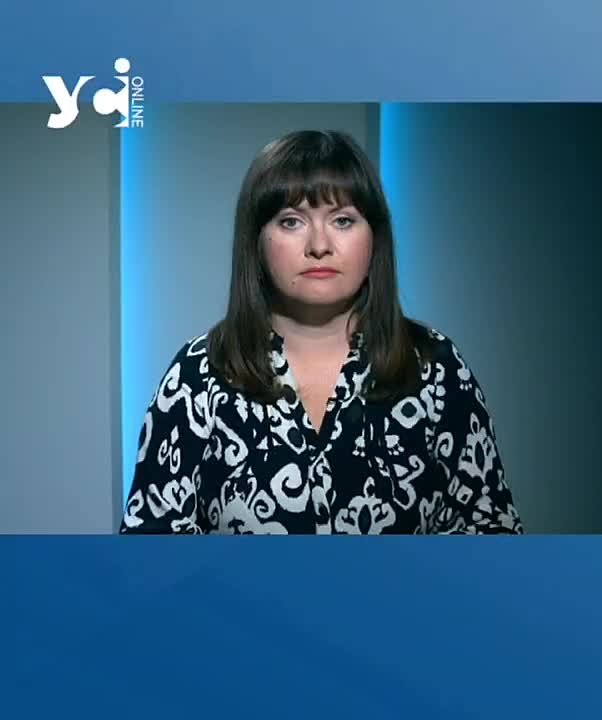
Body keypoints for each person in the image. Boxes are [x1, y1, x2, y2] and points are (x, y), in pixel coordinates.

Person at [121, 130, 523, 534]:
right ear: (257, 242)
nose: (319, 245)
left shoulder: (435, 368)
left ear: (374, 238)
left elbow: (492, 531)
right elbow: (149, 548)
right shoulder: (198, 375)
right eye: (291, 221)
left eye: (343, 220)